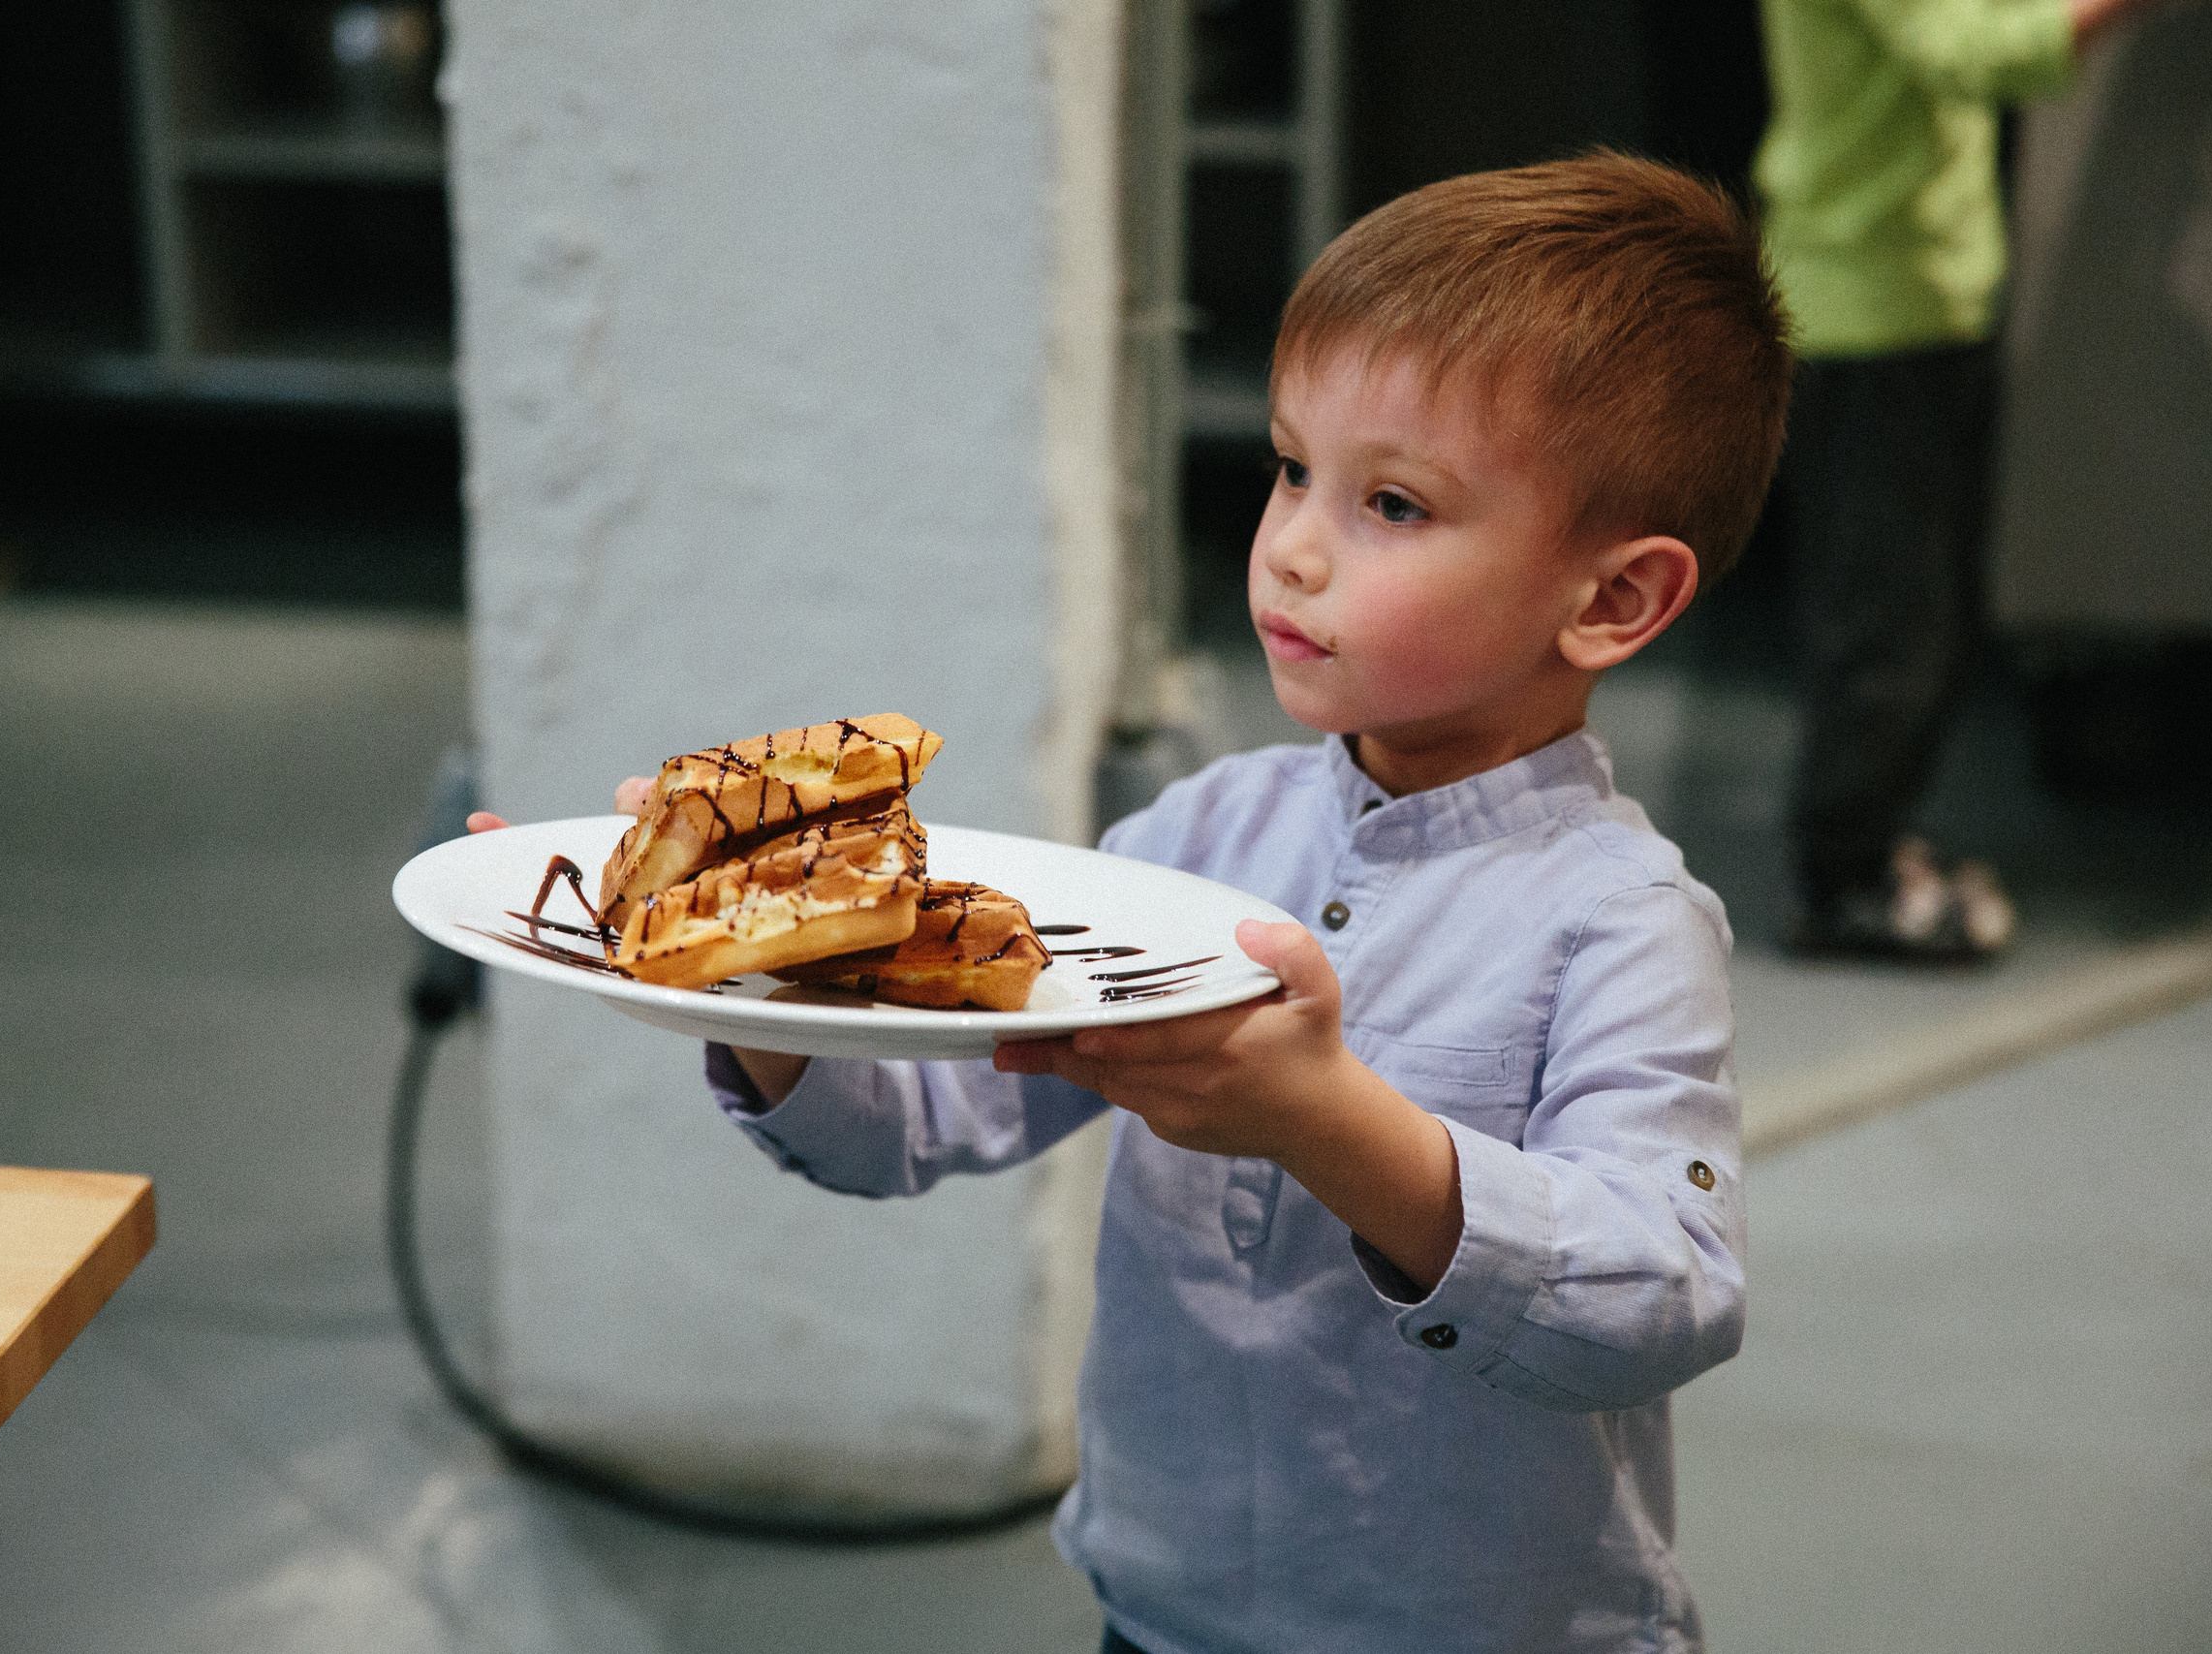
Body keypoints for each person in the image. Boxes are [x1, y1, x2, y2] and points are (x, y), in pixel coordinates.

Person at [477, 154, 1791, 1651]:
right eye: (1294, 468)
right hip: (1159, 1613)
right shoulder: (1205, 834)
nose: (1293, 542)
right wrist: (737, 973)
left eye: (1394, 503)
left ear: (1612, 600)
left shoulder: (1619, 917)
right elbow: (918, 1123)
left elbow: (1661, 1295)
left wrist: (1324, 1117)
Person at [1756, 0, 2169, 959]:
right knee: (1888, 622)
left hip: (1917, 295)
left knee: (1915, 609)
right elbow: (1977, 48)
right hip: (1868, 312)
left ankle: (1868, 837)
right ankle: (1840, 876)